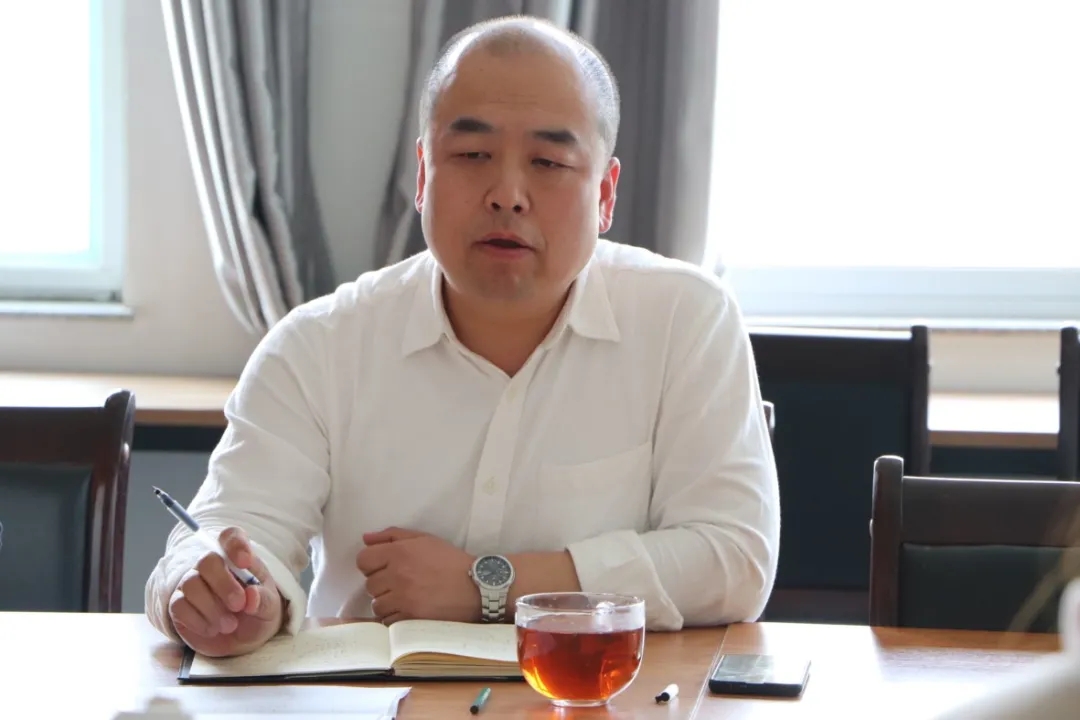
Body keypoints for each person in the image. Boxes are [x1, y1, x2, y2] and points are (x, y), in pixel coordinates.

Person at [145, 15, 779, 658]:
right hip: (369, 697)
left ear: (605, 195)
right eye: (473, 155)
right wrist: (224, 598)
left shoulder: (685, 320)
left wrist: (490, 586)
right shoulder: (319, 345)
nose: (508, 195)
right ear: (423, 175)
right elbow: (227, 530)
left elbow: (734, 557)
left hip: (598, 694)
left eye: (549, 162)